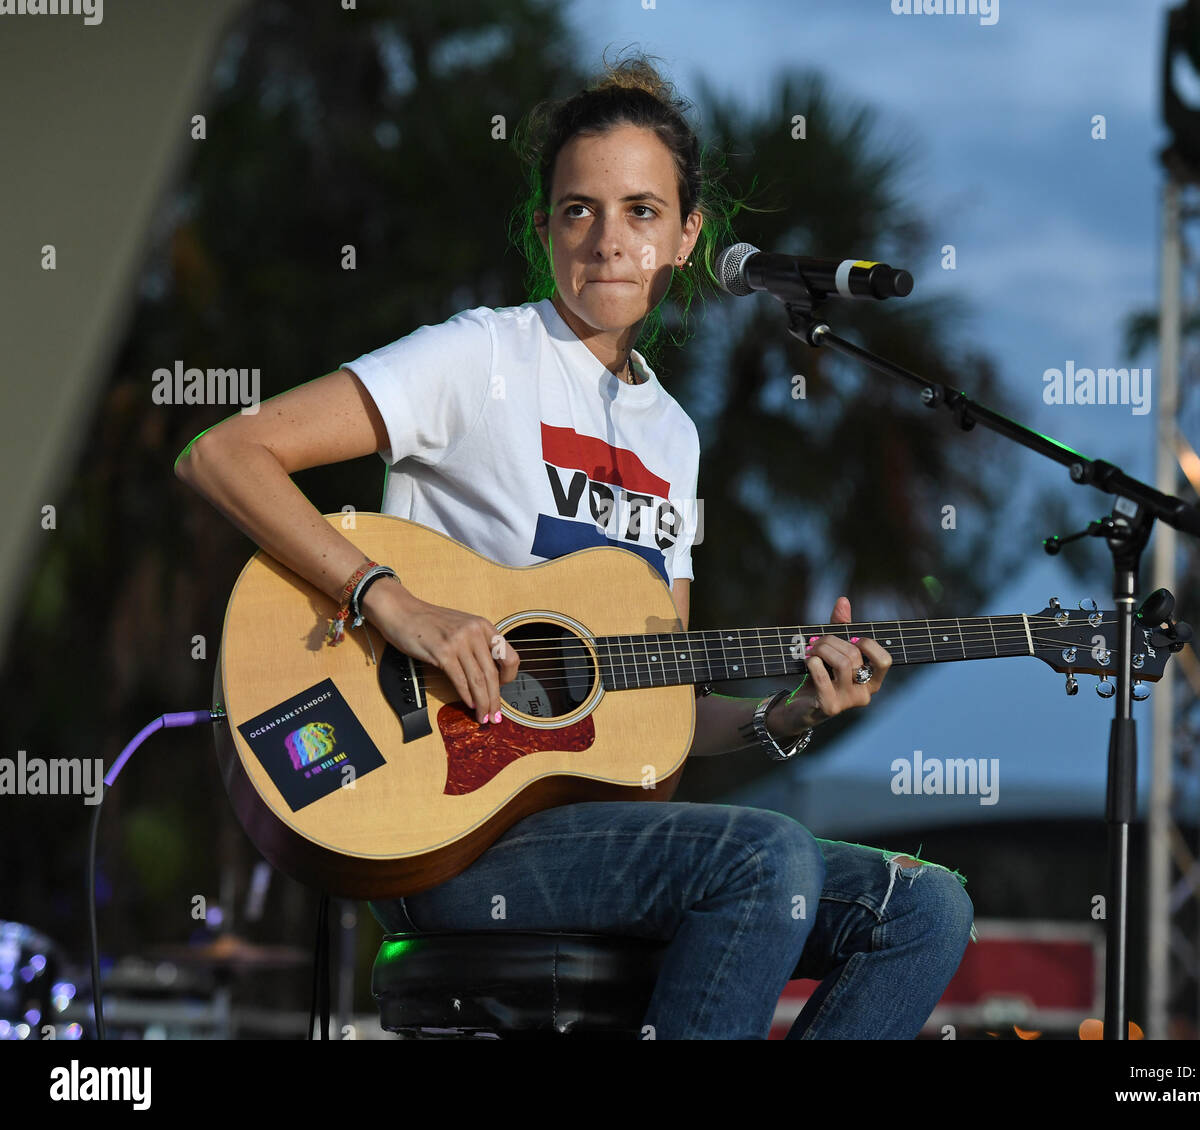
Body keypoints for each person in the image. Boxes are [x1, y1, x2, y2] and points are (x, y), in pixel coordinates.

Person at [175, 50, 974, 1039]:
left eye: (642, 211)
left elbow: (661, 710)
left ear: (686, 236)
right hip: (447, 825)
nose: (608, 240)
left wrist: (791, 711)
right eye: (578, 210)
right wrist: (394, 599)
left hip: (592, 832)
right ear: (546, 226)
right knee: (766, 855)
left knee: (924, 906)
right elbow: (224, 452)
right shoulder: (480, 355)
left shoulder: (674, 436)